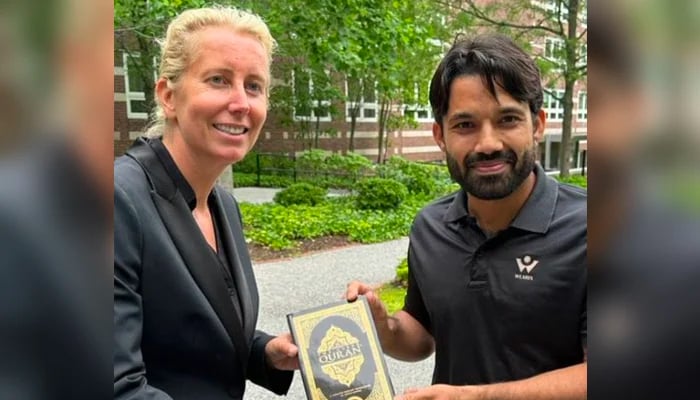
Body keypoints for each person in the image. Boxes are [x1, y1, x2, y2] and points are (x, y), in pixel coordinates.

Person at [346, 33, 586, 399]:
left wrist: (477, 397)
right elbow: (424, 335)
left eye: (507, 119)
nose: (487, 143)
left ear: (537, 124)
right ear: (440, 135)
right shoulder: (430, 228)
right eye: (465, 125)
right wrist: (385, 327)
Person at [114, 6, 298, 399]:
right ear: (168, 96)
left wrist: (264, 353)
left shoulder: (222, 206)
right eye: (218, 80)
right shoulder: (113, 200)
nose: (241, 103)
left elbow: (194, 332)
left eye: (254, 86)